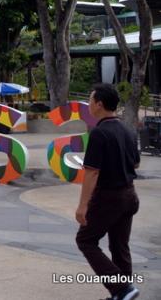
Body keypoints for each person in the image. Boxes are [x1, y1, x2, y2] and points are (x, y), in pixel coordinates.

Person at [75, 84, 141, 300]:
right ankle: (125, 293)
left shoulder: (99, 133)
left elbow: (92, 173)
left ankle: (122, 289)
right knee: (119, 245)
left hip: (108, 197)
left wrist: (82, 206)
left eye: (90, 101)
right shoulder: (128, 130)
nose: (89, 105)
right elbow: (136, 164)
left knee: (85, 240)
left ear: (99, 104)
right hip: (129, 195)